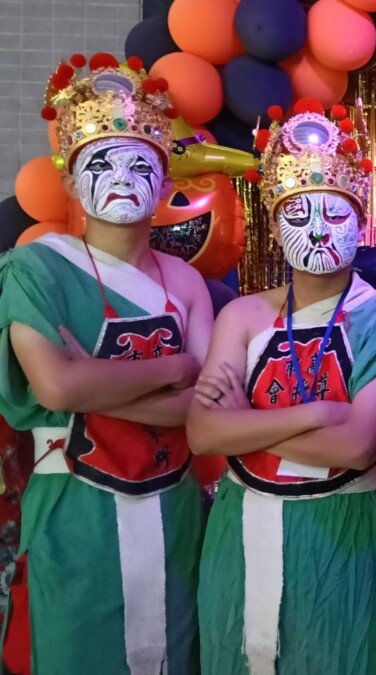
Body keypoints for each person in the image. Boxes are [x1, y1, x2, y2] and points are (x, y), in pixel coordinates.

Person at [0, 53, 213, 673]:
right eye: (101, 163)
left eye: (140, 163)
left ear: (164, 179)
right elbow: (56, 387)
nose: (122, 178)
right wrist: (174, 368)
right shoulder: (35, 268)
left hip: (173, 507)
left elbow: (205, 411)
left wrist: (92, 381)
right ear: (70, 182)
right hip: (75, 509)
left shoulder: (186, 283)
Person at [186, 99, 376, 674]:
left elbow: (356, 446)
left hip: (340, 533)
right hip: (241, 526)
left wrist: (244, 422)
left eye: (335, 214)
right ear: (276, 228)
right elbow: (203, 433)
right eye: (299, 215)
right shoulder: (243, 316)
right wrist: (317, 414)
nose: (318, 231)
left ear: (361, 220)